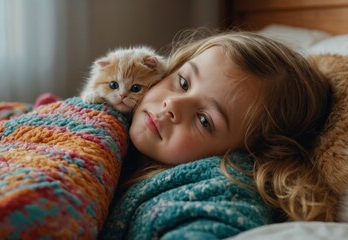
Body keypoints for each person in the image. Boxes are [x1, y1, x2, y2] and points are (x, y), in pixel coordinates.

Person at [100, 30, 334, 239]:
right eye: (183, 83)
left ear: (246, 154)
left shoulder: (222, 187)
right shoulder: (107, 115)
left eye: (204, 120)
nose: (172, 104)